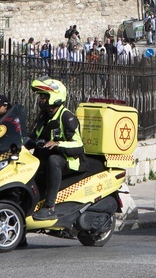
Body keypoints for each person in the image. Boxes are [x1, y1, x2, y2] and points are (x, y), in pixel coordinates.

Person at [26, 77, 102, 220]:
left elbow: (78, 145)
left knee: (54, 160)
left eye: (44, 96)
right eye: (40, 96)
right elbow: (34, 136)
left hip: (72, 161)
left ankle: (50, 207)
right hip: (50, 157)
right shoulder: (44, 116)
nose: (40, 99)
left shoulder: (67, 117)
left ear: (54, 96)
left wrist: (58, 144)